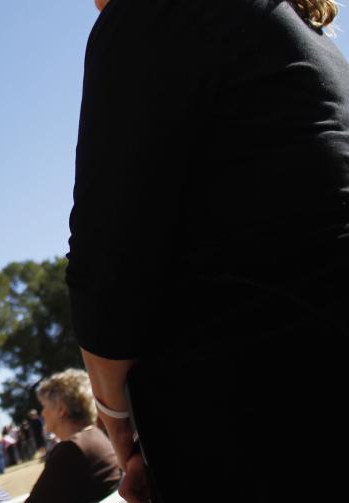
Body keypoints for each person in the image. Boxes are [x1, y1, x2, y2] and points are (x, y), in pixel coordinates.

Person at [68, 0, 349, 501]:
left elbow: (105, 268)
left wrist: (116, 421)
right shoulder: (302, 30)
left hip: (269, 415)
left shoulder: (149, 14)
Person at [25, 369, 121, 503]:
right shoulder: (95, 437)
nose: (42, 413)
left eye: (44, 406)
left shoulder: (72, 449)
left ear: (61, 410)